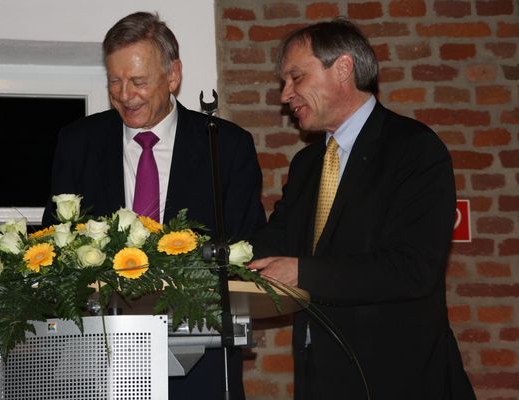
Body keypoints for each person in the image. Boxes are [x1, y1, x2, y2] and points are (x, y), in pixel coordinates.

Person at [249, 18, 476, 400]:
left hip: (399, 379)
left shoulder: (414, 149)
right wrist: (195, 257)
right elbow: (275, 241)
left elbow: (412, 268)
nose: (286, 95)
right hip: (320, 380)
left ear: (342, 69)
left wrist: (302, 272)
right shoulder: (307, 164)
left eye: (296, 77)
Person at [42, 12, 265, 400]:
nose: (124, 94)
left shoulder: (225, 146)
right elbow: (54, 244)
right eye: (115, 81)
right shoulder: (78, 142)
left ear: (173, 75)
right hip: (98, 358)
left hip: (202, 358)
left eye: (138, 81)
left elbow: (247, 247)